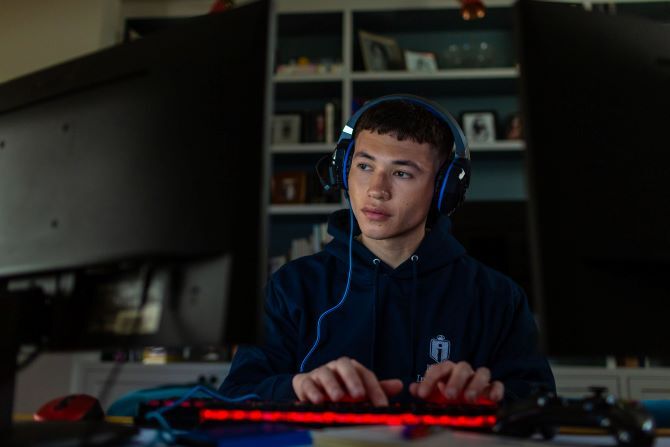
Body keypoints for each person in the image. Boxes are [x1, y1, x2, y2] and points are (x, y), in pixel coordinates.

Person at [220, 96, 555, 406]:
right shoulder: (291, 288)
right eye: (365, 166)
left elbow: (540, 404)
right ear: (344, 170)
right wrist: (296, 387)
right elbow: (236, 393)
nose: (377, 190)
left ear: (444, 190)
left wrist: (493, 398)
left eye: (401, 173)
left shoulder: (498, 299)